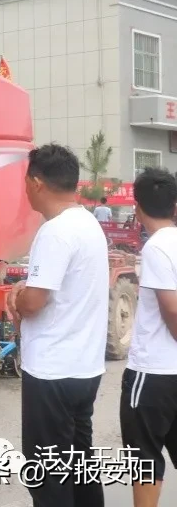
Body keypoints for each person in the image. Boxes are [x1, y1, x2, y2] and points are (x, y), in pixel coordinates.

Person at [6, 143, 109, 507]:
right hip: (85, 370)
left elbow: (34, 303)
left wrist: (16, 296)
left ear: (36, 183)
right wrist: (26, 289)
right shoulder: (88, 223)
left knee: (48, 476)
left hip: (53, 373)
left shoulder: (55, 232)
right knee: (80, 465)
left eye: (24, 180)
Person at [121, 167, 177, 507]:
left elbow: (171, 310)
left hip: (153, 374)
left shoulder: (156, 248)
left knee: (144, 460)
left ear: (138, 208)